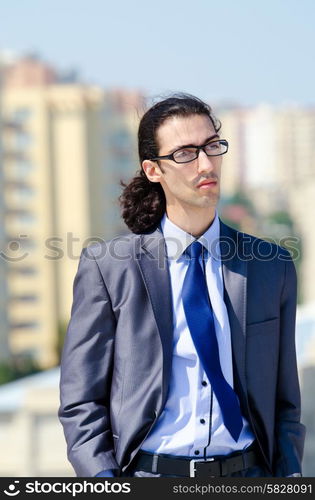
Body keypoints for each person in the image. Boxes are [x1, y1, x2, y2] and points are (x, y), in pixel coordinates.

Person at [58, 93, 305, 478]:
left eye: (211, 146)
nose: (206, 164)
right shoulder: (109, 269)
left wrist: (289, 477)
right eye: (186, 153)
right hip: (149, 476)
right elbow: (81, 401)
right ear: (154, 170)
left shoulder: (271, 268)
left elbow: (286, 401)